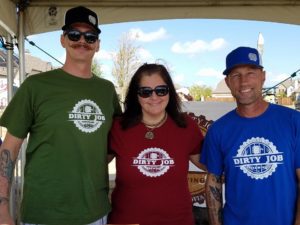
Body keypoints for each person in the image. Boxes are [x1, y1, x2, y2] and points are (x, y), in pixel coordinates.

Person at [0, 6, 121, 225]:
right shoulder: (35, 86)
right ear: (62, 39)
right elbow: (9, 149)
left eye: (90, 36)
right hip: (43, 213)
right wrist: (1, 208)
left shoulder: (107, 90)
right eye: (74, 34)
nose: (82, 40)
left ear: (98, 44)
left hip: (94, 212)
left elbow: (114, 146)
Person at [200, 46, 300, 225]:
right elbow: (213, 180)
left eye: (251, 73)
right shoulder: (219, 129)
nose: (243, 82)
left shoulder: (293, 121)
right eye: (236, 75)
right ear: (228, 82)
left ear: (263, 76)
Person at [107, 63, 204, 225]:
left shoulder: (186, 125)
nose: (154, 97)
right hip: (127, 220)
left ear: (170, 92)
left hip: (178, 220)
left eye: (161, 90)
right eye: (145, 92)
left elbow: (208, 164)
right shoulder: (118, 127)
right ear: (135, 95)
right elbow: (93, 164)